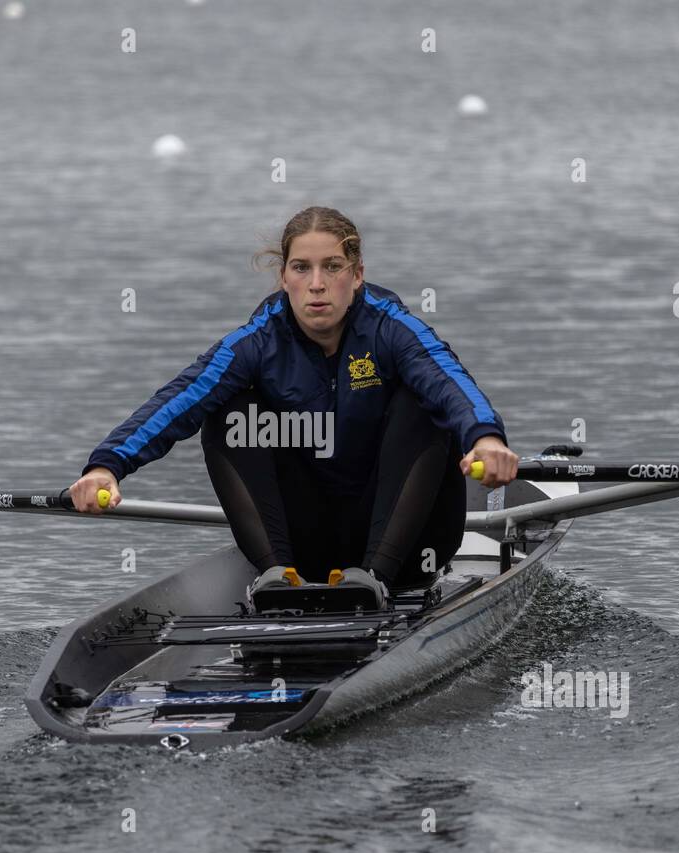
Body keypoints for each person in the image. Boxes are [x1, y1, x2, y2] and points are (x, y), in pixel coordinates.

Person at [68, 206, 518, 609]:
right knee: (230, 411)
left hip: (413, 546)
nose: (317, 284)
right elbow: (179, 399)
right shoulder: (258, 340)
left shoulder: (392, 329)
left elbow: (447, 380)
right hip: (311, 546)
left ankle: (375, 577)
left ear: (357, 275)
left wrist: (485, 437)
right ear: (284, 277)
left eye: (332, 267)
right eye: (302, 268)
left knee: (421, 401)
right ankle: (276, 574)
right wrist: (106, 467)